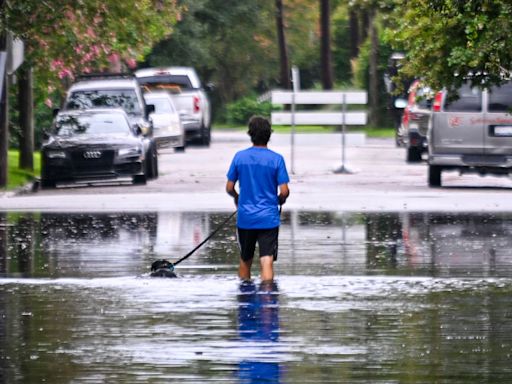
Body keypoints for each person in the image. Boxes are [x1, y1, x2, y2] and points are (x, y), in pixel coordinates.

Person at [226, 116, 290, 282]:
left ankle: (244, 297)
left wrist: (237, 198)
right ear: (269, 135)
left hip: (246, 217)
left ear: (250, 134)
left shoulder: (239, 157)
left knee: (245, 259)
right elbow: (284, 191)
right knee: (266, 259)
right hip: (269, 218)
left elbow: (229, 187)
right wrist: (280, 200)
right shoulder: (277, 159)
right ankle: (268, 299)